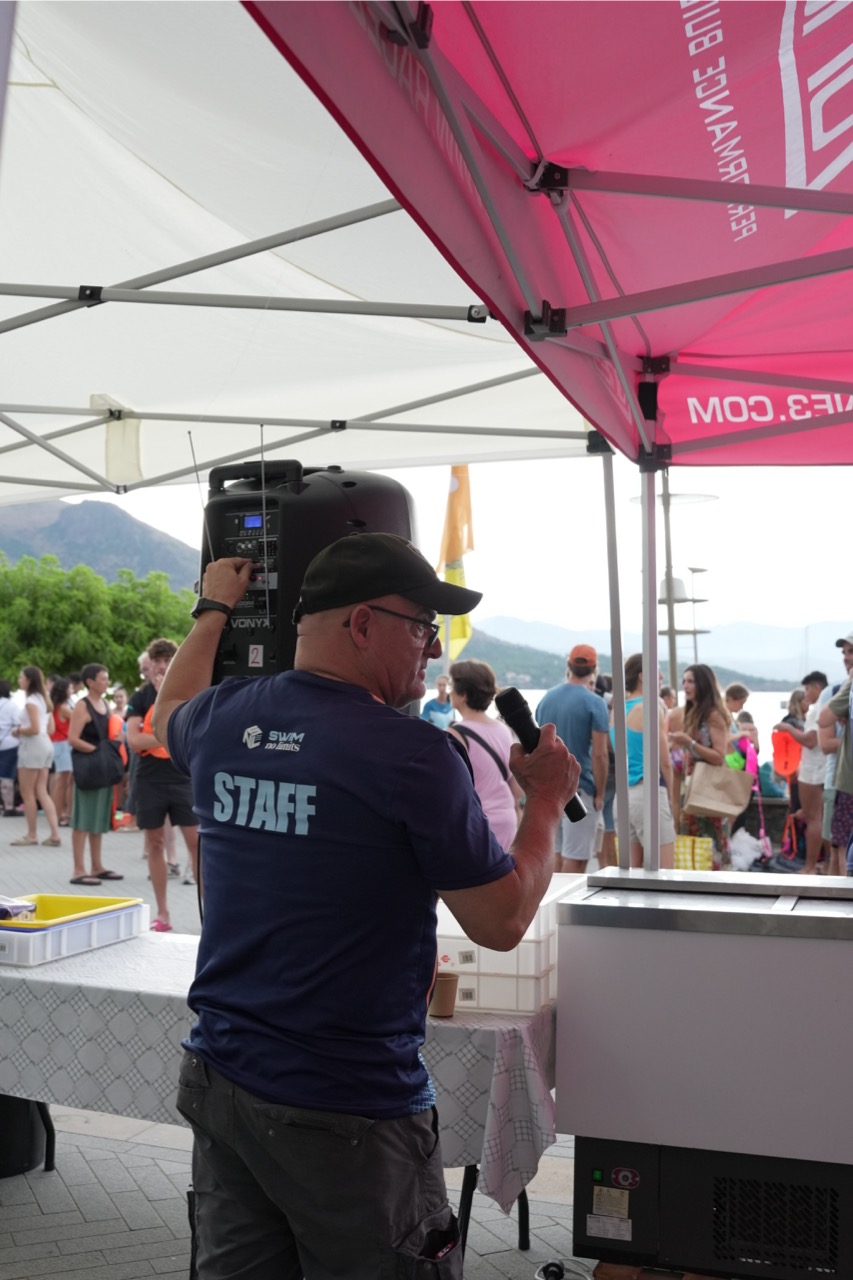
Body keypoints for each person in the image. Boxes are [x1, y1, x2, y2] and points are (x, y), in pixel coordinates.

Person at [151, 532, 577, 1279]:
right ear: (361, 623)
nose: (433, 648)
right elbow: (502, 920)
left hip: (221, 1077)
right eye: (422, 627)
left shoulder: (222, 718)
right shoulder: (411, 754)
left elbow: (168, 711)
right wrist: (544, 800)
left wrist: (213, 607)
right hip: (347, 1105)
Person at [126, 639, 199, 931]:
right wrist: (170, 733)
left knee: (197, 844)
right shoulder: (140, 697)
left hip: (182, 777)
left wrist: (158, 735)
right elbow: (134, 740)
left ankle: (209, 913)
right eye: (157, 660)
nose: (162, 665)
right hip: (150, 779)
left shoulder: (187, 692)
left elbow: (192, 734)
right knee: (155, 843)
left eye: (168, 659)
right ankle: (163, 913)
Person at [536, 643, 610, 873]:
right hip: (580, 788)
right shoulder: (595, 703)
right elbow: (600, 754)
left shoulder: (547, 699)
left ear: (569, 665)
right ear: (594, 669)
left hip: (549, 788)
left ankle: (553, 898)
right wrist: (600, 793)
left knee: (556, 856)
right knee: (576, 859)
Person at [446, 659, 522, 849]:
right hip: (506, 820)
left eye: (452, 686)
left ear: (464, 694)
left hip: (476, 825)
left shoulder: (455, 735)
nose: (449, 692)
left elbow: (451, 791)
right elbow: (516, 787)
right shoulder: (503, 730)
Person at [668, 663, 731, 868]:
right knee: (693, 850)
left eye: (691, 681)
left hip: (707, 790)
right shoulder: (692, 712)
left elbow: (719, 756)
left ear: (703, 684)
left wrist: (690, 742)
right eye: (684, 681)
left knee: (708, 849)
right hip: (691, 789)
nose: (685, 686)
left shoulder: (713, 715)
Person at [67, 663, 125, 886]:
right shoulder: (82, 706)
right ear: (90, 682)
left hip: (102, 768)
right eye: (103, 678)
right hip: (89, 768)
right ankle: (78, 869)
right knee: (82, 819)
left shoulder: (104, 704)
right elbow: (73, 739)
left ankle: (97, 865)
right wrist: (97, 751)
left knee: (99, 818)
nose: (106, 682)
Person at [615, 653, 675, 869]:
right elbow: (664, 761)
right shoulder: (650, 708)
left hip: (623, 797)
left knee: (631, 871)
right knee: (664, 872)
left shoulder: (618, 710)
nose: (661, 677)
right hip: (648, 793)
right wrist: (672, 797)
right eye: (657, 672)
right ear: (643, 676)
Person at [773, 672, 828, 874]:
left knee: (814, 818)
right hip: (823, 768)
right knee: (823, 818)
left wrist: (787, 728)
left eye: (807, 689)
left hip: (814, 770)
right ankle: (828, 862)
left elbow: (810, 741)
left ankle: (810, 866)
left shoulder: (819, 708)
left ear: (816, 687)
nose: (805, 694)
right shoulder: (828, 706)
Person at [10, 665, 61, 847]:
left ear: (29, 680)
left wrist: (18, 730)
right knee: (41, 790)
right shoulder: (45, 700)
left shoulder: (31, 701)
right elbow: (50, 728)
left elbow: (34, 728)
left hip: (32, 746)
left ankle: (31, 835)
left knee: (27, 792)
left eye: (21, 677)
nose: (19, 680)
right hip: (46, 744)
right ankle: (55, 834)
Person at [818, 632, 853, 876]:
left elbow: (824, 720)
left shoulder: (846, 688)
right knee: (838, 850)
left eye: (852, 652)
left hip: (846, 783)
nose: (846, 657)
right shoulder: (834, 691)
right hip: (838, 781)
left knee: (843, 855)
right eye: (844, 652)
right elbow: (824, 742)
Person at [48, 676, 74, 827]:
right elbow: (79, 719)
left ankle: (62, 814)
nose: (72, 690)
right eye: (70, 688)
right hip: (64, 745)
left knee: (63, 781)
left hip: (58, 744)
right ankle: (58, 815)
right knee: (63, 782)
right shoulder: (64, 708)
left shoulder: (55, 706)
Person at [0, 680, 19, 817]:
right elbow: (19, 723)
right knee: (7, 775)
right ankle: (9, 806)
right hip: (9, 744)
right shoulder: (12, 705)